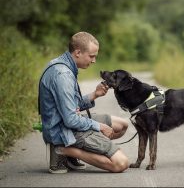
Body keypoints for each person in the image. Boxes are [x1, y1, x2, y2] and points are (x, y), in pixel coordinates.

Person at [39, 31, 129, 174]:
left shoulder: (62, 64)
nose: (93, 61)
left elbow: (69, 106)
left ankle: (80, 149)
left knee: (122, 125)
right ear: (78, 52)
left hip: (66, 122)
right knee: (121, 163)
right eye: (91, 56)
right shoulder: (63, 75)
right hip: (63, 130)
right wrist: (98, 127)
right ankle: (63, 150)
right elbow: (70, 120)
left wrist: (95, 95)